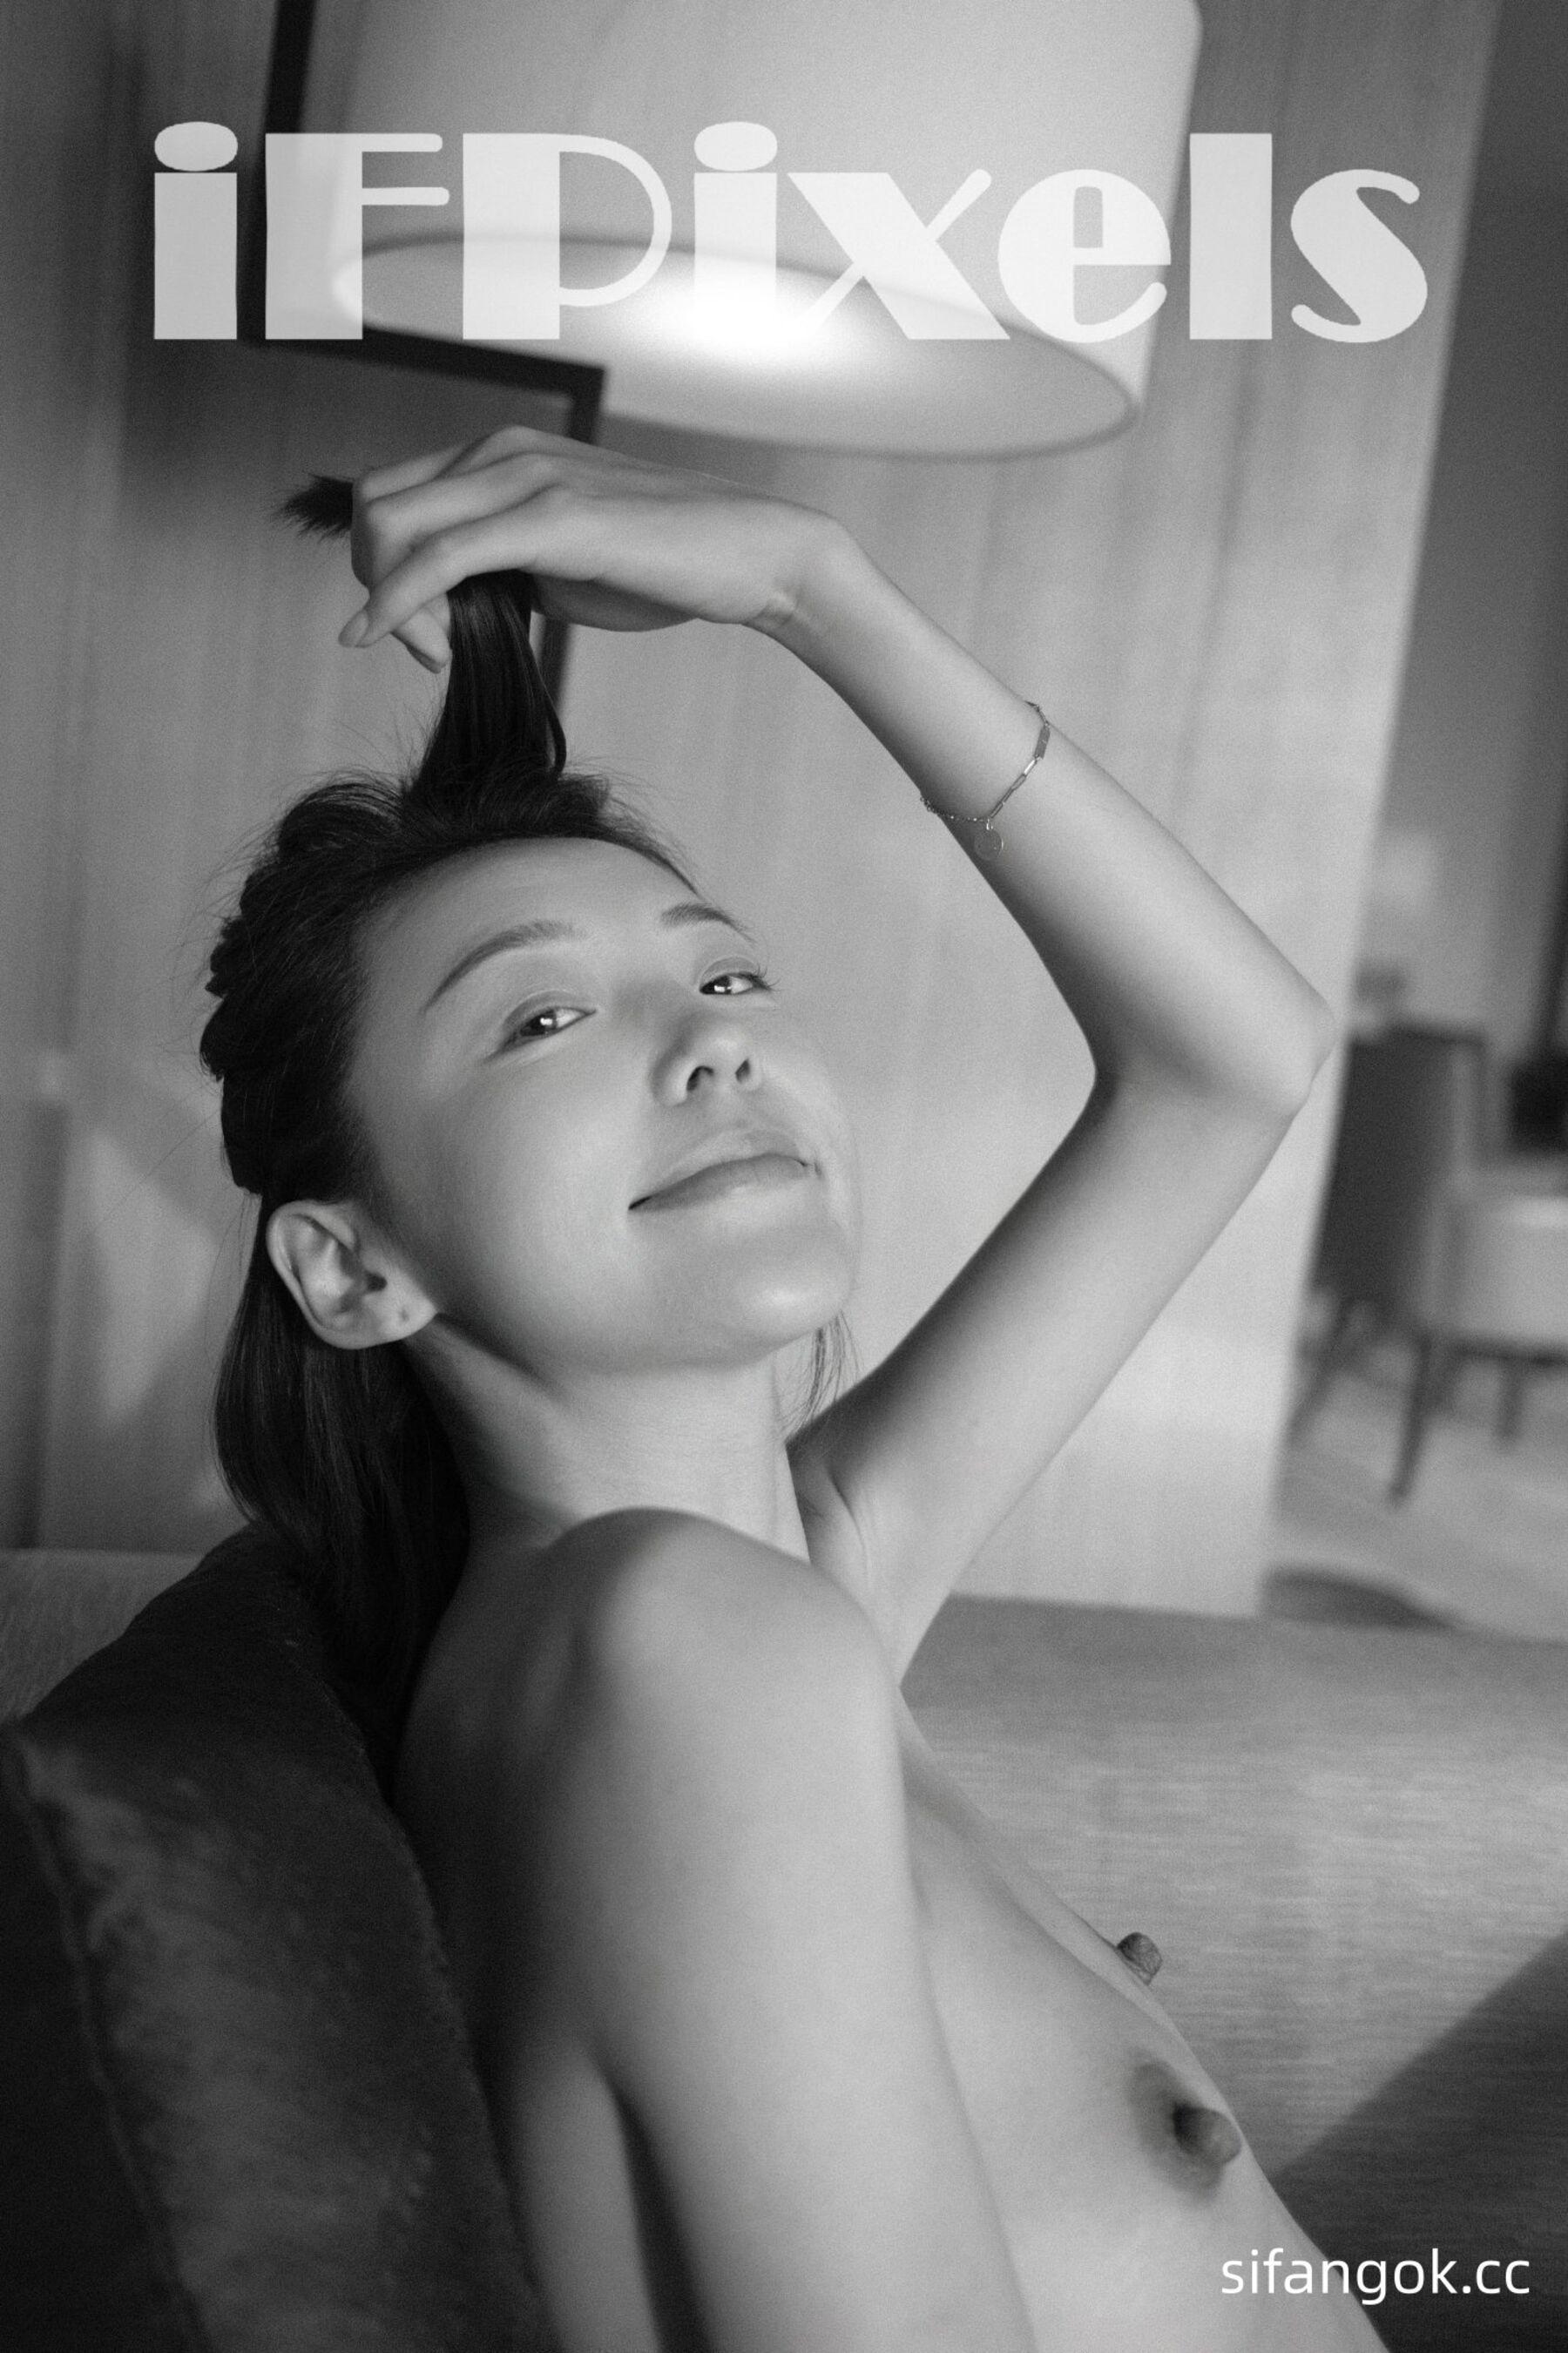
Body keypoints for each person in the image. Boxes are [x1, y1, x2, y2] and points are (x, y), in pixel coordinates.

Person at [199, 426, 1383, 2350]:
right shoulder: (683, 1649)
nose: (712, 1046)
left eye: (730, 978)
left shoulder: (777, 1589)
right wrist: (805, 585)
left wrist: (814, 583)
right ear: (353, 1269)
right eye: (543, 1015)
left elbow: (1234, 1062)